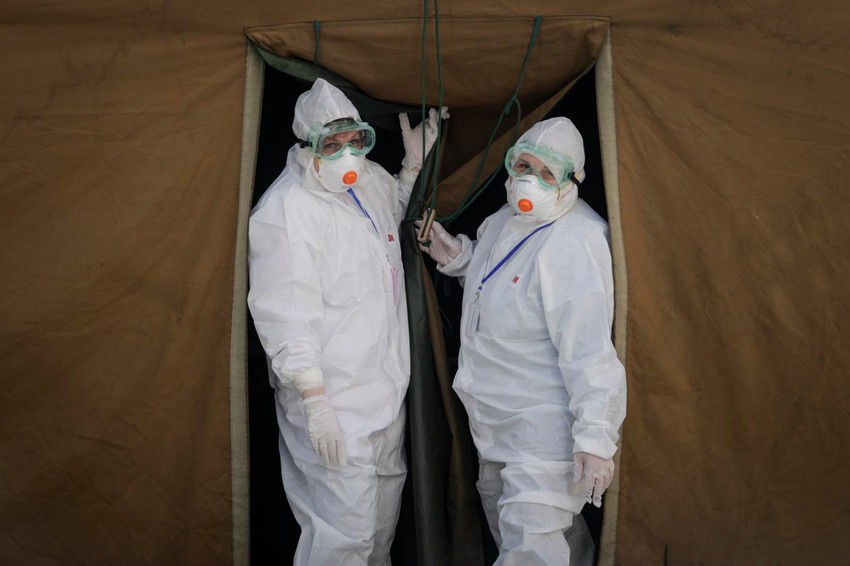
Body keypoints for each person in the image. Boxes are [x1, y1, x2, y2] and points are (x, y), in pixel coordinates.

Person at [247, 77, 447, 565]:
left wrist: (411, 168)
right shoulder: (286, 210)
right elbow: (285, 314)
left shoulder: (368, 180)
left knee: (377, 537)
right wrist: (315, 401)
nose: (348, 155)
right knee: (343, 541)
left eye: (356, 141)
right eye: (332, 145)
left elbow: (387, 218)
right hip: (332, 406)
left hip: (384, 397)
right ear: (306, 145)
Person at [417, 117, 627, 565]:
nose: (530, 180)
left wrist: (595, 436)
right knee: (557, 548)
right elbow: (507, 284)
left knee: (530, 554)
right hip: (495, 428)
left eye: (548, 172)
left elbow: (589, 351)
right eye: (523, 165)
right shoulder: (505, 220)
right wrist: (461, 259)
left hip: (543, 437)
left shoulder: (576, 240)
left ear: (572, 180)